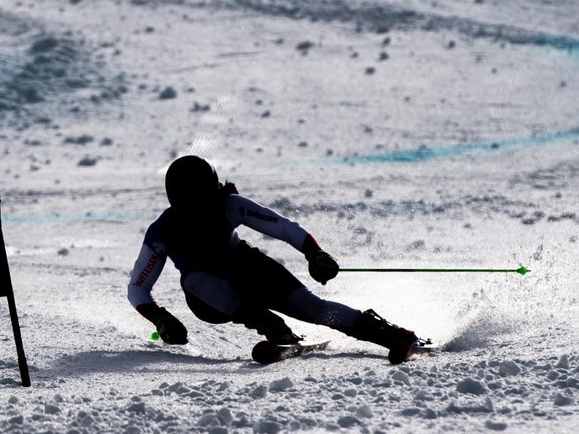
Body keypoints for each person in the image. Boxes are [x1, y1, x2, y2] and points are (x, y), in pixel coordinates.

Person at [127, 155, 423, 364]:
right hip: (210, 300)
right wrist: (161, 319)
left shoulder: (228, 204)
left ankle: (392, 335)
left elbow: (281, 226)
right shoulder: (162, 231)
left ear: (213, 192)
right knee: (194, 279)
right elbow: (137, 289)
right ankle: (269, 324)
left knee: (312, 307)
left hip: (248, 267)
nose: (199, 211)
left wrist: (314, 252)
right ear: (175, 201)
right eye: (190, 204)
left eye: (203, 200)